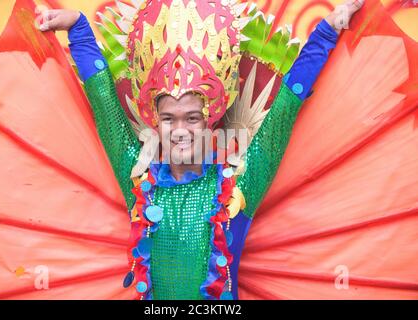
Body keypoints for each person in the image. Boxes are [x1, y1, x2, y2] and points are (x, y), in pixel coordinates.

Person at [37, 0, 364, 300]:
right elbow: (104, 101)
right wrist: (78, 28)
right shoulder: (138, 180)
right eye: (169, 119)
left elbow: (286, 105)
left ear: (209, 120)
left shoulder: (239, 185)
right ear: (155, 122)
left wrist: (328, 31)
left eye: (191, 118)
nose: (180, 130)